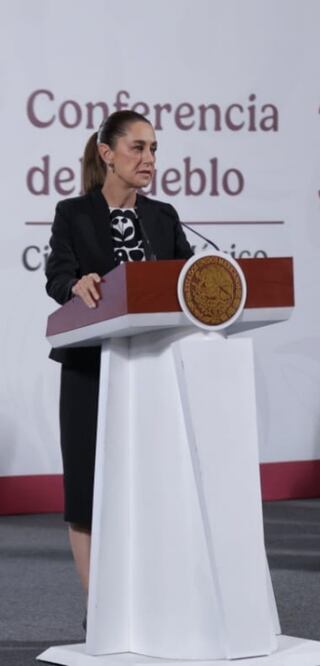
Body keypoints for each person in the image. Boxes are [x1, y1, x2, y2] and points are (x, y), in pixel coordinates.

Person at [45, 110, 195, 599]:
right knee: (88, 491)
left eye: (154, 149)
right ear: (107, 154)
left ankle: (150, 600)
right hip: (91, 368)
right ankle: (100, 609)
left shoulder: (162, 216)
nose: (149, 158)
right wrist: (76, 284)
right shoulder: (73, 213)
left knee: (150, 488)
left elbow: (190, 279)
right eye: (138, 147)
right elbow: (57, 277)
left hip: (153, 367)